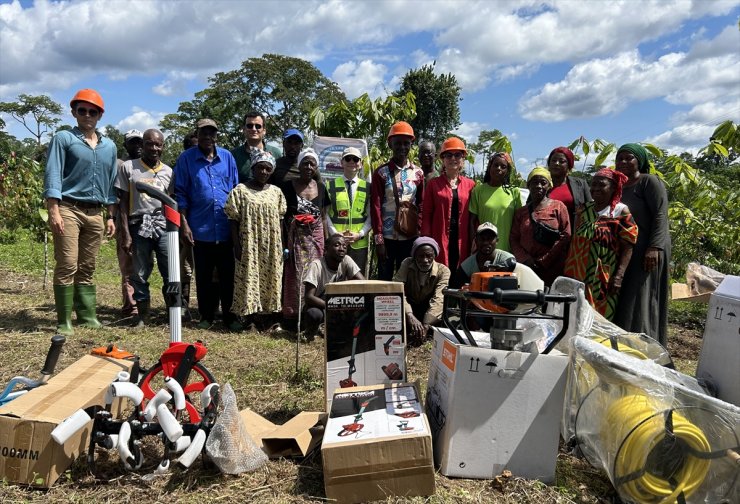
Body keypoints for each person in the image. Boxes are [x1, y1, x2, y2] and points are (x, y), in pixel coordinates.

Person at [43, 88, 117, 335]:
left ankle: (86, 315)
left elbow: (110, 181)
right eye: (82, 110)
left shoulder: (109, 146)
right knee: (67, 263)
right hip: (69, 208)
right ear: (74, 112)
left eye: (92, 111)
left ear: (100, 115)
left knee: (88, 266)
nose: (87, 115)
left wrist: (110, 215)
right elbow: (53, 173)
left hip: (96, 213)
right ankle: (64, 320)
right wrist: (53, 210)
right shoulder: (64, 139)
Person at [174, 118, 241, 331]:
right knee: (203, 275)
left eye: (211, 132)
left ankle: (230, 316)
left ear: (216, 135)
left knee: (227, 275)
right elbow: (181, 193)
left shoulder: (227, 158)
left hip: (225, 227)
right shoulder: (186, 159)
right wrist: (184, 224)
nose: (207, 137)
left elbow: (236, 190)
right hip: (199, 228)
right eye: (203, 132)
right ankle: (206, 315)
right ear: (198, 133)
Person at [613, 143, 671, 345]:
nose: (623, 162)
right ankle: (624, 343)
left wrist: (655, 247)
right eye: (620, 158)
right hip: (627, 249)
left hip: (647, 248)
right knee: (627, 296)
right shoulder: (618, 187)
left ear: (640, 161)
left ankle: (645, 344)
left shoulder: (648, 182)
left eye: (629, 158)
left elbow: (660, 215)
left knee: (642, 298)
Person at [116, 129, 173, 327]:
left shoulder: (168, 171)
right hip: (137, 224)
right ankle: (143, 316)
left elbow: (171, 203)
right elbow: (122, 202)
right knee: (139, 272)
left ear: (163, 147)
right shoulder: (128, 168)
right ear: (143, 145)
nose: (154, 148)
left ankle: (172, 313)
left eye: (158, 144)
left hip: (163, 224)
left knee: (170, 270)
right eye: (150, 144)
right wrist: (125, 234)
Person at [564, 168, 638, 320]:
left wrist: (619, 276)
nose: (595, 188)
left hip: (601, 276)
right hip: (576, 273)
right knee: (573, 315)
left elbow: (628, 245)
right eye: (593, 184)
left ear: (613, 188)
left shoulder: (620, 211)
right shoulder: (584, 209)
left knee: (598, 318)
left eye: (601, 185)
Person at [225, 151, 286, 328]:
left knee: (271, 278)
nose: (264, 172)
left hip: (271, 245)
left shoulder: (276, 192)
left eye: (268, 169)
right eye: (261, 168)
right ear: (253, 168)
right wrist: (237, 245)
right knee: (249, 278)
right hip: (249, 243)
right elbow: (233, 220)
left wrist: (280, 244)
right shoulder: (240, 191)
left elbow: (280, 220)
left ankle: (266, 317)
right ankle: (248, 317)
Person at [281, 148, 331, 328]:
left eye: (312, 163)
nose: (309, 166)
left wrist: (325, 241)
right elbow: (282, 216)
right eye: (305, 163)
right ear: (299, 165)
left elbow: (324, 217)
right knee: (294, 275)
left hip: (316, 240)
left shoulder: (321, 188)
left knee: (313, 275)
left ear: (316, 166)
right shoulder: (287, 187)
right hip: (295, 240)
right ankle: (293, 316)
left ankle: (312, 315)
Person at [370, 121, 424, 280]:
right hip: (387, 238)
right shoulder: (381, 173)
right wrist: (378, 240)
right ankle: (381, 306)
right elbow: (375, 207)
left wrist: (418, 231)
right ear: (390, 144)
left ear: (411, 145)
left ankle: (405, 306)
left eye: (406, 143)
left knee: (406, 278)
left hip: (409, 236)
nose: (402, 147)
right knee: (384, 278)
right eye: (397, 143)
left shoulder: (418, 173)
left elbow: (421, 204)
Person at [510, 167, 571, 285]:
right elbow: (514, 238)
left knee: (550, 301)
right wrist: (525, 259)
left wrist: (545, 259)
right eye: (534, 182)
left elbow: (566, 235)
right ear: (528, 186)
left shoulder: (559, 207)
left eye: (543, 183)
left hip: (552, 267)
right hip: (527, 268)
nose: (538, 186)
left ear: (549, 186)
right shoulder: (521, 212)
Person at [421, 137, 475, 270]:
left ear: (463, 159)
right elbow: (426, 214)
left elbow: (474, 217)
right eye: (448, 155)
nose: (453, 158)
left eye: (458, 155)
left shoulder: (471, 185)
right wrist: (426, 240)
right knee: (440, 273)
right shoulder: (434, 184)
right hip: (439, 238)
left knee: (460, 275)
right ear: (442, 159)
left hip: (463, 240)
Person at [303, 234, 365, 334]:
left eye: (344, 246)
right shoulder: (316, 265)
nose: (342, 249)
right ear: (326, 248)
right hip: (321, 305)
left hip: (339, 304)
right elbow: (309, 297)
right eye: (337, 245)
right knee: (313, 314)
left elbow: (363, 284)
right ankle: (312, 331)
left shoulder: (346, 260)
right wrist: (334, 306)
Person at [393, 237, 450, 344]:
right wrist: (409, 315)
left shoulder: (443, 271)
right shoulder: (407, 263)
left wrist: (426, 325)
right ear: (414, 257)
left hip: (429, 309)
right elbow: (397, 289)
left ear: (434, 255)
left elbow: (439, 298)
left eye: (429, 256)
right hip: (410, 307)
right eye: (421, 256)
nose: (425, 260)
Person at [326, 147, 372, 273]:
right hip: (336, 244)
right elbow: (325, 214)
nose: (352, 161)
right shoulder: (330, 186)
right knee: (335, 279)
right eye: (348, 158)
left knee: (358, 280)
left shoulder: (368, 187)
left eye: (356, 159)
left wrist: (360, 234)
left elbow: (371, 216)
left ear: (361, 164)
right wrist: (335, 233)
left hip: (359, 244)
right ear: (342, 163)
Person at [115, 129, 144, 319]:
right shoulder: (120, 165)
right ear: (125, 145)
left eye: (140, 142)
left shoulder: (146, 165)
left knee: (142, 265)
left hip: (145, 221)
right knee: (128, 266)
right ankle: (130, 307)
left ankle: (142, 303)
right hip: (125, 219)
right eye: (133, 142)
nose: (138, 146)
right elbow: (119, 198)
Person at [468, 152, 522, 252]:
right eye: (495, 165)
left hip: (508, 249)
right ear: (489, 167)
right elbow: (472, 222)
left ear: (507, 171)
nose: (499, 168)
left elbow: (518, 222)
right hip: (484, 248)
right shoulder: (478, 191)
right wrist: (475, 243)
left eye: (503, 166)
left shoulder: (514, 192)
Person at [450, 222, 516, 288]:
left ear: (497, 241)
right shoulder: (466, 267)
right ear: (476, 241)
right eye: (482, 239)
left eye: (490, 239)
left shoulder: (507, 260)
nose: (486, 242)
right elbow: (456, 288)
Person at [546, 146, 592, 235]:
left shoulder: (580, 184)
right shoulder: (541, 184)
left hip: (575, 236)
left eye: (562, 161)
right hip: (547, 238)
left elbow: (590, 210)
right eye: (553, 160)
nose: (557, 163)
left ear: (569, 165)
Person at [178, 131, 198, 320]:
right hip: (184, 224)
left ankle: (210, 307)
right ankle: (182, 306)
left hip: (206, 225)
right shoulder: (181, 166)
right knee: (184, 267)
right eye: (192, 146)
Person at [230, 111, 282, 185]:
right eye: (249, 126)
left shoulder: (276, 153)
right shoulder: (233, 155)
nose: (254, 129)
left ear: (264, 130)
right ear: (244, 129)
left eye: (258, 126)